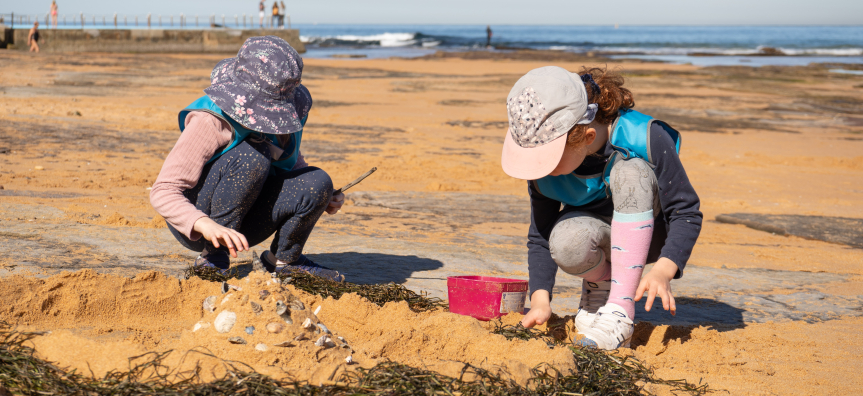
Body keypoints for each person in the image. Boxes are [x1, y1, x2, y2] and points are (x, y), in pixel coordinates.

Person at [501, 66, 702, 350]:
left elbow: (686, 212)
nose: (540, 168)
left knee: (632, 172)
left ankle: (620, 311)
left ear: (587, 138)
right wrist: (540, 301)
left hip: (650, 234)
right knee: (566, 239)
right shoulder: (543, 175)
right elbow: (540, 236)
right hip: (600, 236)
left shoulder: (647, 136)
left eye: (547, 159)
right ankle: (603, 287)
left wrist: (663, 271)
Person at [150, 36, 346, 281]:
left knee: (317, 180)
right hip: (199, 221)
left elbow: (288, 163)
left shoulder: (284, 121)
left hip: (246, 220)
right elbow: (163, 190)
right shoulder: (210, 120)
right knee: (253, 154)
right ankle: (213, 258)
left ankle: (284, 261)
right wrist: (205, 225)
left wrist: (322, 196)